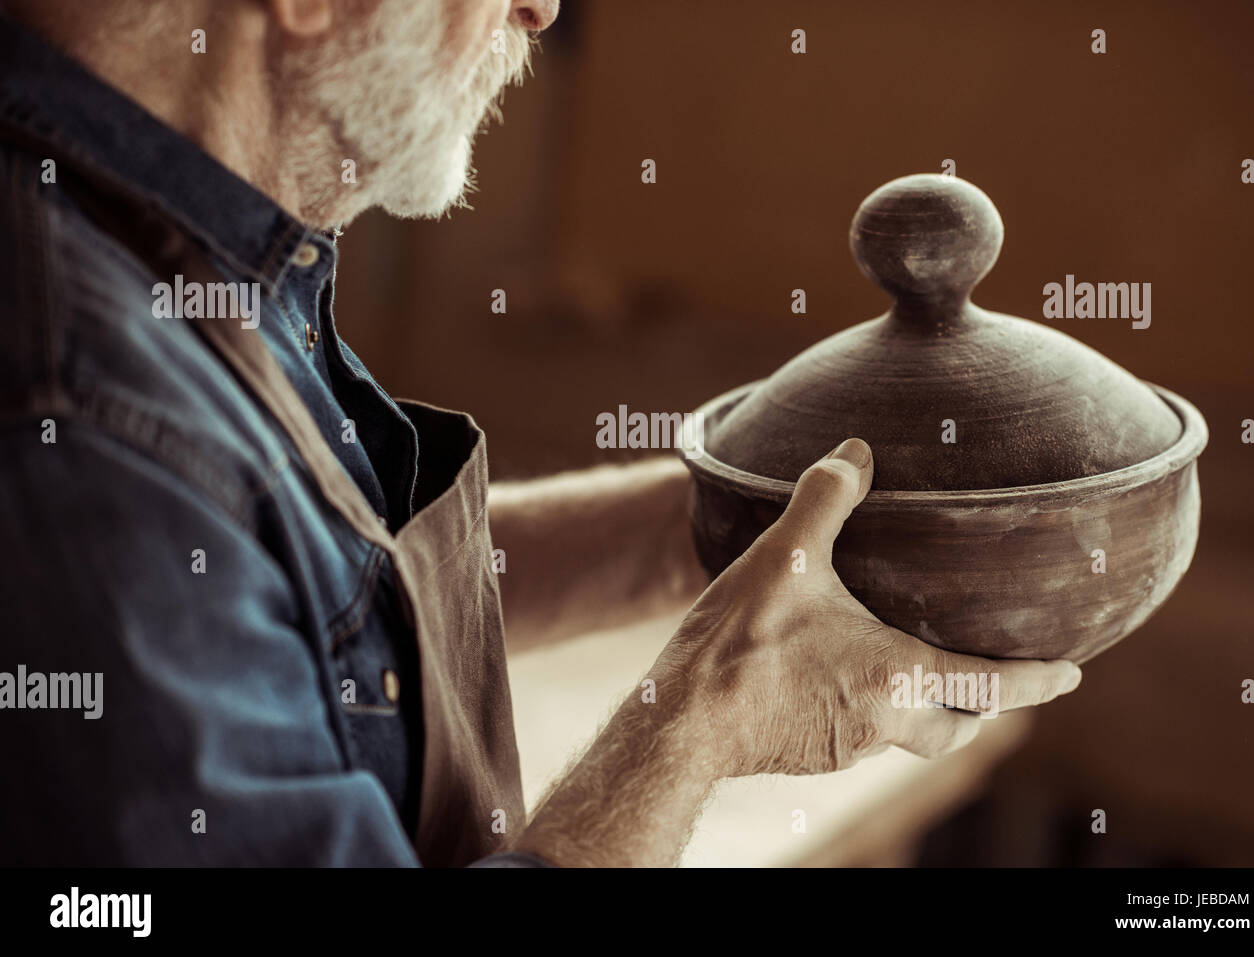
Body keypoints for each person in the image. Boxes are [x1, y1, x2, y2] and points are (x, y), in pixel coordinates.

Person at [0, 0, 1080, 867]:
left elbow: (306, 607)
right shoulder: (81, 422)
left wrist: (720, 516)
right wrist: (704, 718)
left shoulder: (168, 241)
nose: (539, 9)